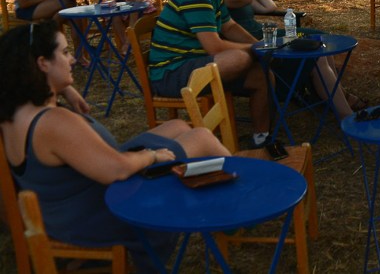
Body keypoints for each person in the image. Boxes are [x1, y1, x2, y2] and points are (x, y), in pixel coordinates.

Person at [0, 21, 229, 272]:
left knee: (178, 126)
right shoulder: (54, 123)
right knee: (202, 138)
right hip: (103, 213)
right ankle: (240, 205)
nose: (72, 59)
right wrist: (151, 156)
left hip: (68, 210)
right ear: (43, 63)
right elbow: (116, 170)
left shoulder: (16, 110)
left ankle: (223, 199)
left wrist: (65, 89)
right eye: (64, 53)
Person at [148, 0, 271, 147]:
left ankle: (261, 138)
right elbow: (214, 47)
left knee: (261, 74)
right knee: (239, 58)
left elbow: (229, 27)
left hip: (196, 64)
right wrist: (256, 49)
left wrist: (261, 45)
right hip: (171, 74)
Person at [221, 0, 365, 115]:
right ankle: (342, 108)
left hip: (268, 35)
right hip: (258, 39)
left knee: (320, 40)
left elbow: (269, 6)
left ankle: (333, 95)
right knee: (316, 55)